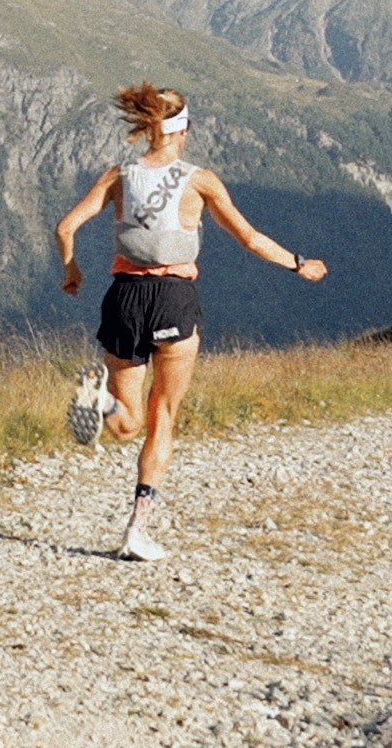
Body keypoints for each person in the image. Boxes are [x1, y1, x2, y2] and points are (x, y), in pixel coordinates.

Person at [51, 83, 327, 562]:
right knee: (162, 417)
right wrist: (299, 263)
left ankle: (97, 399)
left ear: (149, 127)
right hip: (173, 299)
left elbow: (65, 226)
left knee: (126, 424)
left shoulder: (118, 175)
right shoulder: (200, 181)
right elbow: (250, 239)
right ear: (184, 131)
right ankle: (137, 530)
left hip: (123, 298)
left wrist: (72, 269)